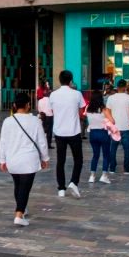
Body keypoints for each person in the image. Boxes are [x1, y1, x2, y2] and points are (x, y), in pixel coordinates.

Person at [0, 93, 49, 226]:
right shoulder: (35, 121)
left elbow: (2, 142)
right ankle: (19, 214)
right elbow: (41, 141)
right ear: (28, 105)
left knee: (18, 185)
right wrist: (45, 158)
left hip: (12, 159)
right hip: (28, 160)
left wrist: (2, 160)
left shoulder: (8, 121)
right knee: (25, 187)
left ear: (14, 105)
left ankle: (22, 208)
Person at [49, 70, 85, 198]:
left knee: (60, 161)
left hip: (59, 132)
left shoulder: (53, 95)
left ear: (59, 80)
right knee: (78, 159)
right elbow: (81, 113)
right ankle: (74, 182)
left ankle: (61, 188)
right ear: (71, 80)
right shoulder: (77, 94)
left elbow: (52, 111)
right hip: (74, 131)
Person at [105, 79, 129, 176]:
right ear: (125, 87)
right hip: (126, 126)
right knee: (127, 149)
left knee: (113, 148)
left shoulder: (111, 98)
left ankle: (112, 167)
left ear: (117, 87)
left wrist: (111, 120)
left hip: (114, 127)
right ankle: (126, 168)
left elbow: (107, 111)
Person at [84, 92, 114, 185]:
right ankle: (104, 175)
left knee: (95, 155)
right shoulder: (103, 109)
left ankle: (92, 176)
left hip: (93, 133)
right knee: (106, 155)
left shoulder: (88, 108)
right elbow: (112, 120)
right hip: (103, 133)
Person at [36, 84, 54, 149]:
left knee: (43, 130)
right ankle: (48, 144)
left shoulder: (40, 101)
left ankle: (41, 143)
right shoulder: (51, 101)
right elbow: (53, 109)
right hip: (49, 116)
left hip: (42, 116)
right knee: (49, 131)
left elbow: (39, 109)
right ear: (49, 94)